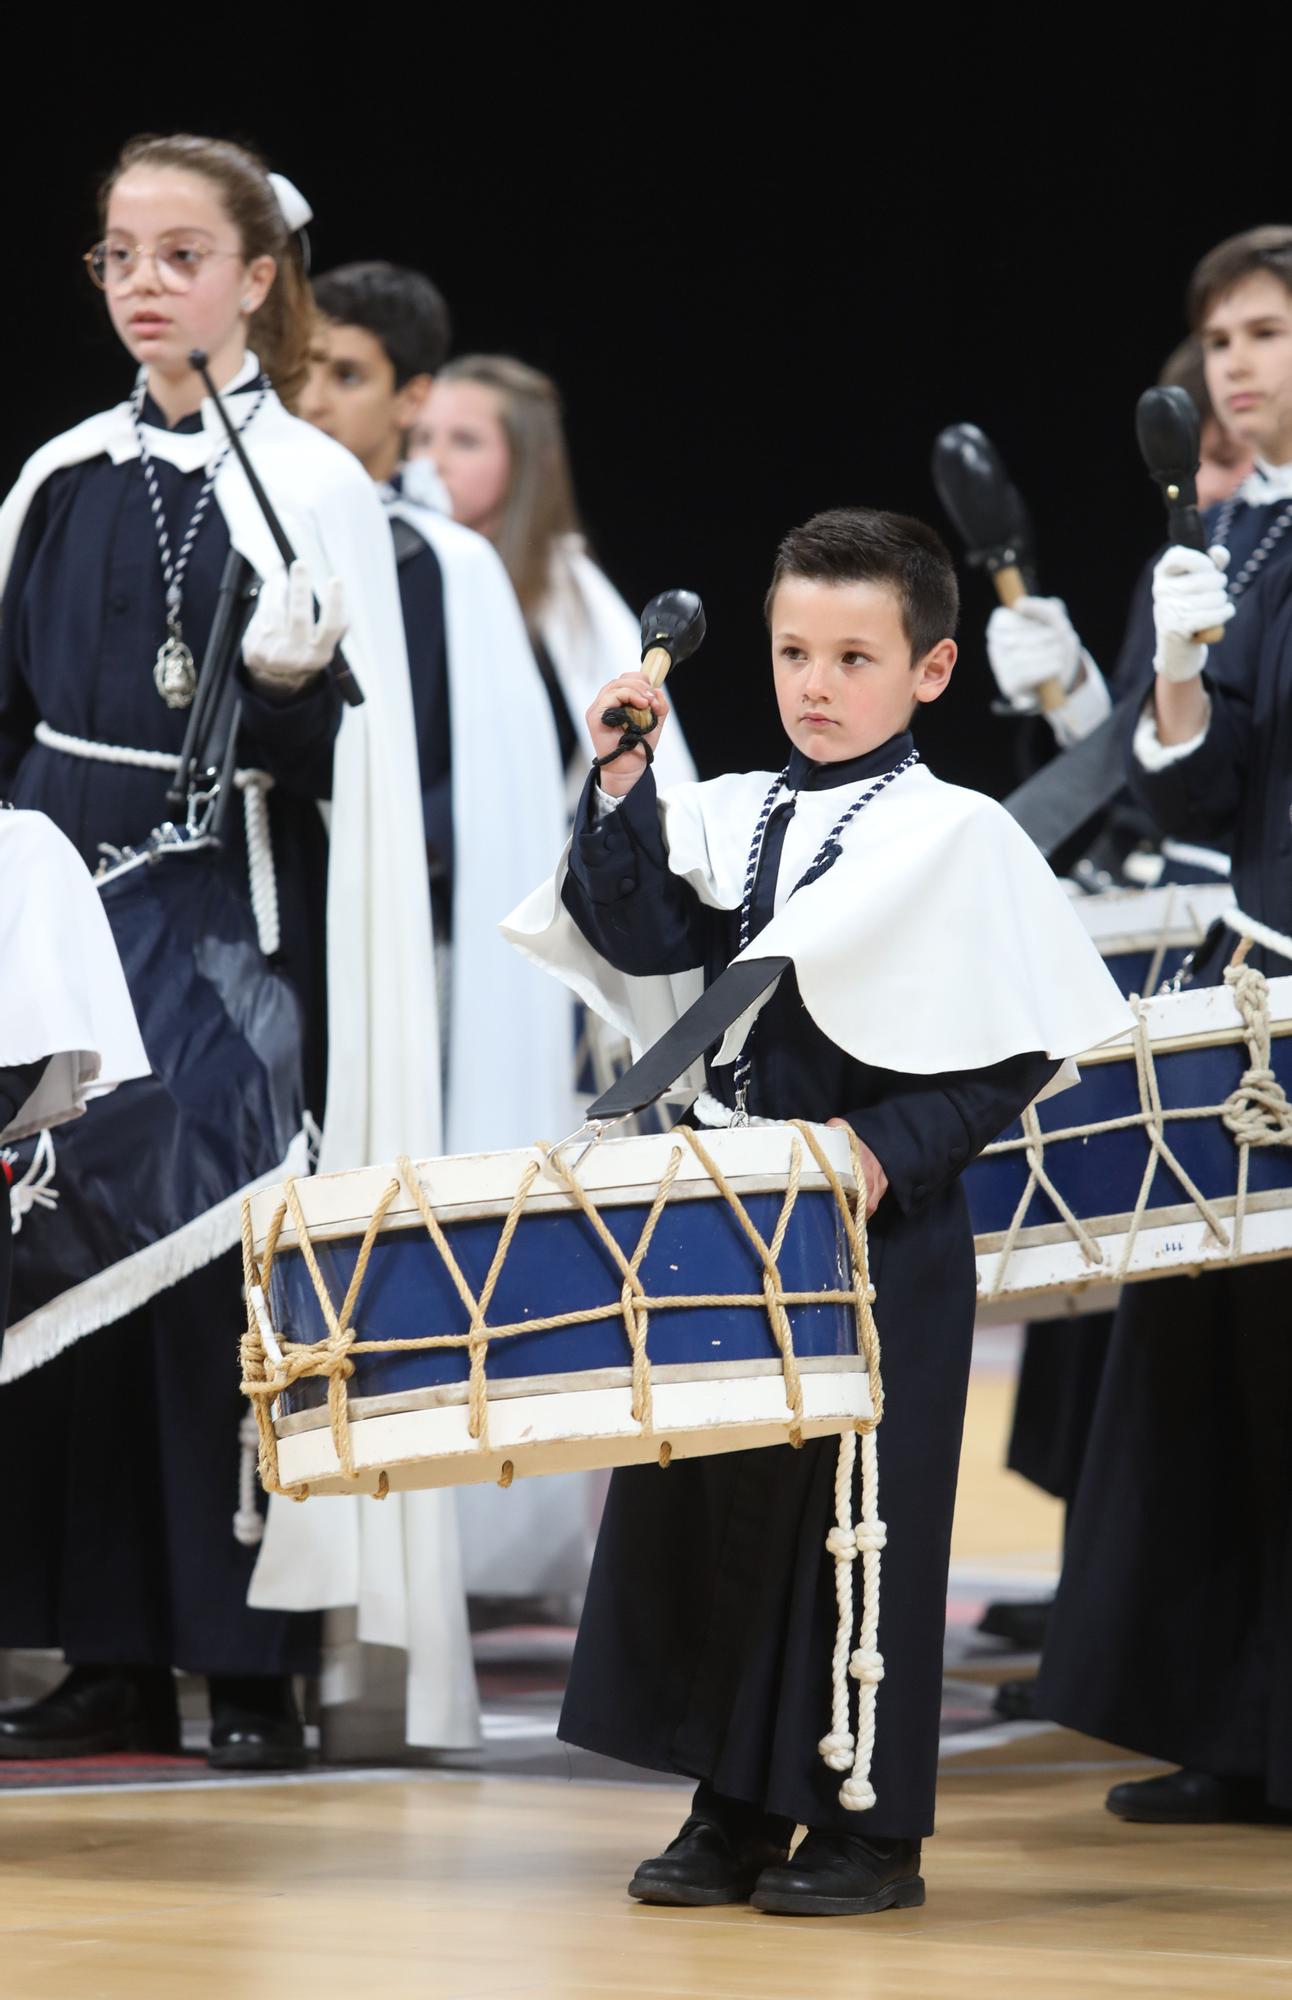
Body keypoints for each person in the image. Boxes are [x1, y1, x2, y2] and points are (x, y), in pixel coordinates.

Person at [503, 508, 1128, 1914]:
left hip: (876, 1227)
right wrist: (621, 787)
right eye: (795, 651)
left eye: (855, 655)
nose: (817, 683)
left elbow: (1010, 1052)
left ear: (931, 669)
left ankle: (864, 1825)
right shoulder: (730, 809)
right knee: (714, 1503)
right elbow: (644, 936)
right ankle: (728, 1804)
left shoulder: (957, 838)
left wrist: (878, 1146)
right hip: (734, 1211)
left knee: (865, 1522)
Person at [0, 133, 452, 1768]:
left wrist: (284, 688)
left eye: (180, 255)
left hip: (226, 918)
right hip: (64, 906)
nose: (143, 287)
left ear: (258, 277)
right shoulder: (56, 478)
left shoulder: (320, 493)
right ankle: (108, 1647)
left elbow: (372, 780)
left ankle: (246, 1657)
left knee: (209, 1264)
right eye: (118, 255)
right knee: (63, 1257)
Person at [1033, 292, 1292, 1822]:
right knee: (1226, 1373)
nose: (1233, 365)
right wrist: (1179, 676)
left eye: (1268, 332)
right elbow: (1182, 801)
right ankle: (1243, 1730)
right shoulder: (1225, 539)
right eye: (1220, 341)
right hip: (1260, 988)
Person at [412, 354, 697, 798]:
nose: (433, 460)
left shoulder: (566, 596)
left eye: (465, 441)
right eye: (421, 438)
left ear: (527, 462)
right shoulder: (408, 575)